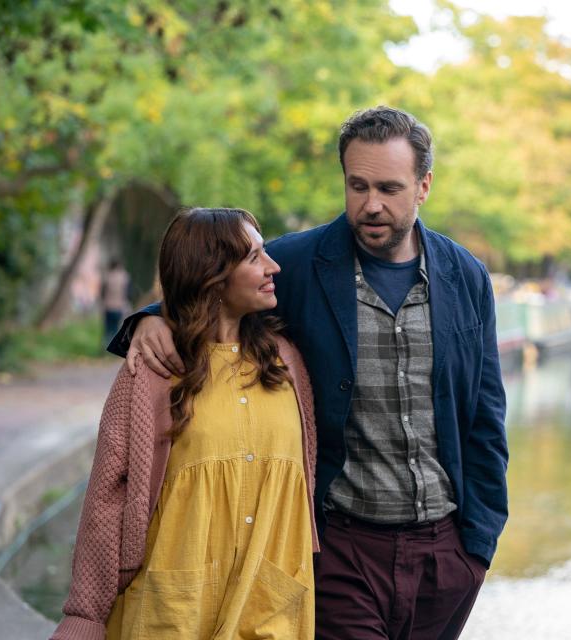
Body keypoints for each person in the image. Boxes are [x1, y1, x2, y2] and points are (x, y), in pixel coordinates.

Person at [111, 106, 509, 640]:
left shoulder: (466, 276)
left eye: (389, 188)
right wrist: (148, 322)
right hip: (342, 547)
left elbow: (486, 415)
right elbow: (214, 281)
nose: (370, 205)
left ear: (424, 186)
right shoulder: (299, 262)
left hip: (445, 554)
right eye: (357, 185)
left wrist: (478, 545)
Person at [52, 208, 319, 640]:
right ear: (211, 275)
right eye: (254, 258)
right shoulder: (152, 372)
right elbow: (106, 497)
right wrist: (85, 613)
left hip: (272, 610)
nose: (273, 267)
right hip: (173, 614)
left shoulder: (287, 362)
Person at [100, 259, 131, 347]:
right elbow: (128, 293)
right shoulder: (124, 277)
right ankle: (114, 347)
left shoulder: (107, 276)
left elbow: (102, 293)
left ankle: (105, 348)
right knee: (117, 329)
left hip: (108, 306)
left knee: (107, 329)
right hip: (119, 306)